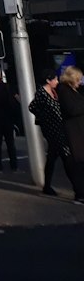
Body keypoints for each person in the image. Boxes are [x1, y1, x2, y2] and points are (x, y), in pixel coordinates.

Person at [29, 69, 72, 196]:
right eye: (55, 79)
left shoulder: (55, 91)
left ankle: (47, 185)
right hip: (52, 129)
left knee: (53, 157)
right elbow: (32, 107)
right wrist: (44, 118)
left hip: (59, 127)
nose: (57, 81)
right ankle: (77, 187)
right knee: (65, 156)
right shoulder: (41, 93)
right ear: (48, 80)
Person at [56, 66, 84, 203]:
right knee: (77, 162)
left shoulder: (73, 90)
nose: (80, 82)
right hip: (74, 131)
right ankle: (80, 193)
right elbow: (72, 109)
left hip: (79, 130)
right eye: (78, 79)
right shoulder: (64, 90)